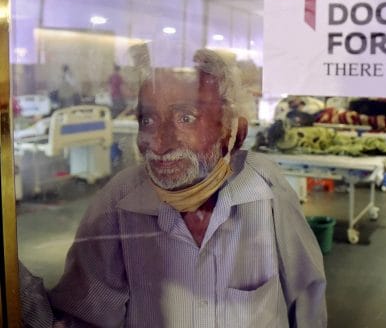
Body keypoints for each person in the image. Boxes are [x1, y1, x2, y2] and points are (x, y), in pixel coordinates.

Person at [20, 48, 327, 327]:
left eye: (185, 118)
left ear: (234, 132)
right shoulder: (120, 200)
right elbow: (84, 318)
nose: (159, 142)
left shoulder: (265, 186)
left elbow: (306, 299)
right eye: (148, 120)